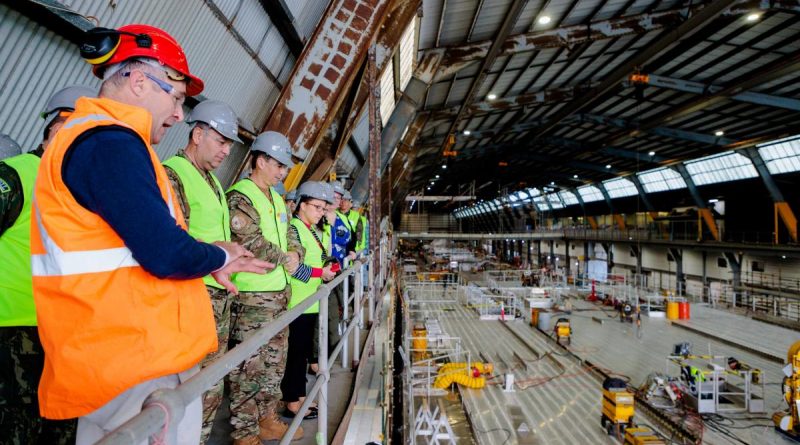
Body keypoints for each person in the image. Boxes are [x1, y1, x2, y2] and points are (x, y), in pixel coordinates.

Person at [31, 24, 272, 445]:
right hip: (130, 361)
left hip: (124, 354)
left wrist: (209, 262)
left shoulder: (100, 141)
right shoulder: (109, 143)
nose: (179, 114)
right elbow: (163, 252)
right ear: (140, 81)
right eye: (176, 97)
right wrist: (217, 256)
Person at [0, 85, 94, 445]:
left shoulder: (84, 195)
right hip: (11, 333)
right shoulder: (18, 175)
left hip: (62, 341)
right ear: (58, 127)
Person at [162, 99, 242, 444]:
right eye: (221, 142)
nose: (226, 151)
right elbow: (174, 239)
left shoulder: (212, 181)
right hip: (192, 296)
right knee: (187, 386)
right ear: (197, 134)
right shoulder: (173, 174)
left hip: (216, 297)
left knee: (209, 383)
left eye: (229, 145)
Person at [226, 131, 303, 444]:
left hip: (278, 297)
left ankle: (267, 419)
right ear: (260, 161)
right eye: (278, 165)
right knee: (248, 369)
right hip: (252, 299)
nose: (283, 172)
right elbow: (251, 241)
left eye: (285, 167)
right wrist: (287, 259)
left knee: (272, 366)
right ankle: (244, 432)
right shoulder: (241, 196)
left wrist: (297, 253)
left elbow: (291, 233)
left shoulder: (277, 199)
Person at [281, 181, 336, 418]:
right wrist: (319, 273)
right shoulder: (293, 228)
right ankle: (292, 400)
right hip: (297, 302)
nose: (320, 213)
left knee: (301, 353)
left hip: (310, 301)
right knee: (295, 353)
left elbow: (315, 260)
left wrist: (326, 268)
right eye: (317, 207)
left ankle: (300, 395)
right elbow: (294, 268)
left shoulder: (310, 229)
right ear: (302, 205)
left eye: (323, 209)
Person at [321, 181, 356, 349]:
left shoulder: (342, 218)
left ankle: (333, 343)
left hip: (339, 269)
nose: (337, 199)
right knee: (326, 310)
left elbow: (351, 238)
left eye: (339, 197)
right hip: (323, 271)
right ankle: (325, 349)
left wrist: (352, 251)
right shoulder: (319, 216)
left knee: (338, 307)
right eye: (334, 196)